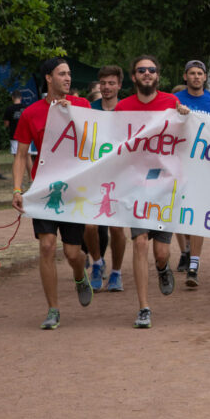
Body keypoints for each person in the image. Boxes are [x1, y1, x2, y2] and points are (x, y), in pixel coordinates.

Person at [11, 58, 94, 330]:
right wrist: (17, 188)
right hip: (44, 189)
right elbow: (21, 155)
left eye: (69, 74)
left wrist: (74, 117)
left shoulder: (82, 105)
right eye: (62, 74)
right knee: (46, 246)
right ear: (48, 78)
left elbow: (96, 142)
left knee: (72, 254)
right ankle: (53, 309)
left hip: (74, 191)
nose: (68, 78)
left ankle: (80, 274)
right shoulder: (31, 113)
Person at [115, 55, 189, 328]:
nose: (147, 73)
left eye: (152, 70)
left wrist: (186, 118)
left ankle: (162, 268)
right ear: (133, 76)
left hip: (166, 187)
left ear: (158, 75)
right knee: (140, 242)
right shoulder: (122, 108)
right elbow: (108, 142)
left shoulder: (172, 102)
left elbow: (189, 137)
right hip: (136, 187)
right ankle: (144, 307)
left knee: (161, 252)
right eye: (141, 70)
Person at [173, 59, 210, 287]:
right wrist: (176, 114)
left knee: (196, 214)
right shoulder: (174, 99)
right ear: (185, 77)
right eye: (192, 73)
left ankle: (193, 265)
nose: (196, 77)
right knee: (180, 214)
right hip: (179, 163)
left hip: (204, 165)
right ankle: (186, 249)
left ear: (205, 77)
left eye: (199, 73)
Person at [84, 65, 127, 292]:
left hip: (120, 177)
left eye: (111, 83)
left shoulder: (128, 110)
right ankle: (97, 263)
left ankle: (116, 273)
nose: (107, 87)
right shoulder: (88, 110)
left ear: (119, 85)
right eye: (103, 83)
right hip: (93, 177)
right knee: (90, 226)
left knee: (117, 229)